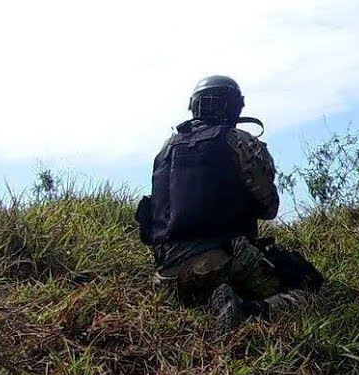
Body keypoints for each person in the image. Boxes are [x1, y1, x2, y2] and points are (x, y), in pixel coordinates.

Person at [136, 75, 324, 329]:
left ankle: (211, 298)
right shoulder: (239, 141)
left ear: (194, 106)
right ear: (233, 106)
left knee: (206, 283)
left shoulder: (166, 149)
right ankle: (248, 312)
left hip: (165, 272)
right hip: (220, 257)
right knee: (307, 290)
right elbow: (268, 208)